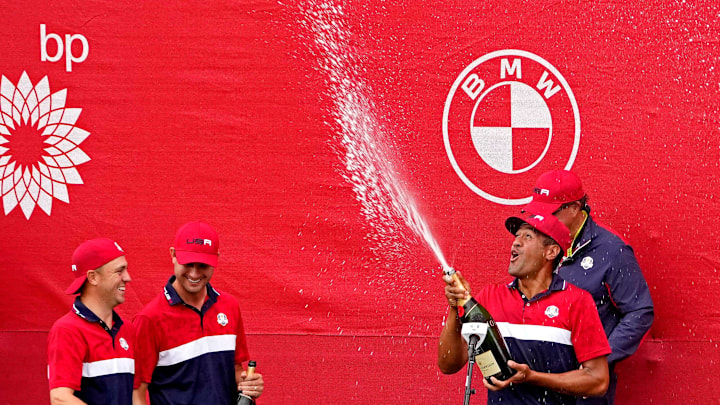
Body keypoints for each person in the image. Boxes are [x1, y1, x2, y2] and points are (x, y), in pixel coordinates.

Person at [438, 214, 611, 405]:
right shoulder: (490, 296)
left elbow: (598, 381)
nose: (516, 243)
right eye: (516, 236)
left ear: (551, 252)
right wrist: (455, 307)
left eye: (527, 236)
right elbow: (448, 364)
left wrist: (531, 376)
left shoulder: (577, 301)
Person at [522, 170, 654, 405]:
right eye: (537, 212)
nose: (540, 220)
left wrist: (600, 357)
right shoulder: (538, 242)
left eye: (548, 212)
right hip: (536, 378)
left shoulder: (612, 251)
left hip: (582, 387)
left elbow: (640, 312)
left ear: (574, 208)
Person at [132, 221, 263, 405]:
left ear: (216, 258)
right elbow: (135, 393)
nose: (194, 273)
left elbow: (235, 369)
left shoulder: (230, 306)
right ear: (173, 255)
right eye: (188, 263)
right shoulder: (149, 319)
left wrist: (249, 384)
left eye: (203, 265)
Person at [48, 238, 134, 405]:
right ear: (93, 277)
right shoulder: (67, 330)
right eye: (119, 271)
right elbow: (60, 399)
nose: (128, 277)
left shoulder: (128, 329)